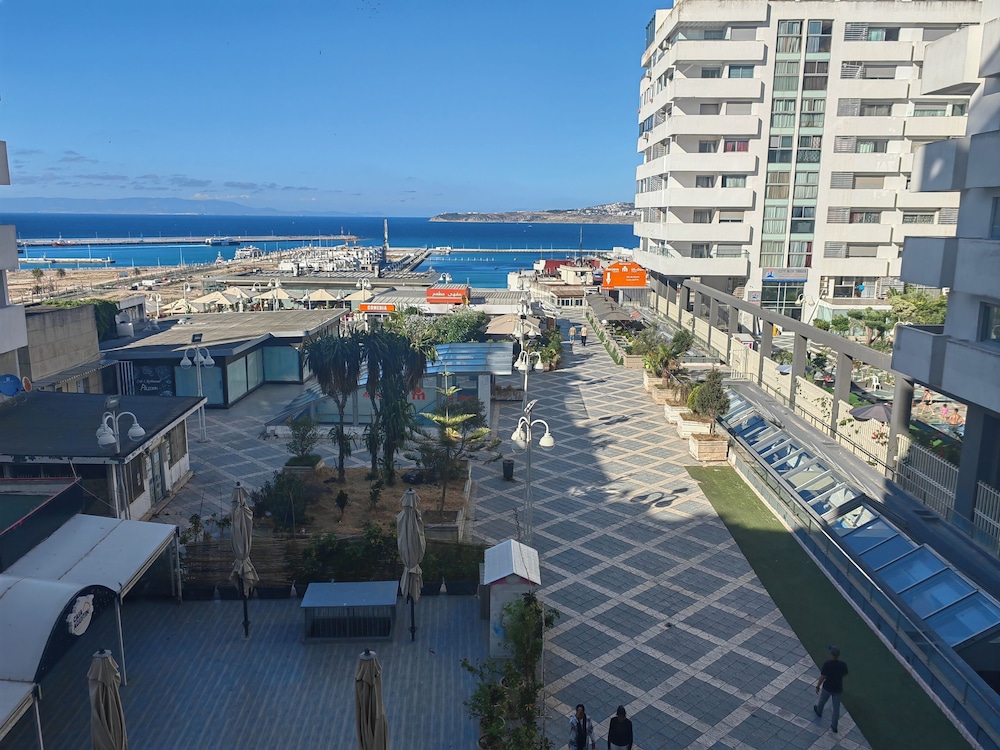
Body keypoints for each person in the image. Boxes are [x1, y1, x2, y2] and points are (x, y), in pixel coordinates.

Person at [814, 645, 849, 733]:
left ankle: (819, 711)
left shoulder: (827, 664)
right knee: (836, 708)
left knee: (822, 701)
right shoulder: (843, 665)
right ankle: (834, 726)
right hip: (838, 688)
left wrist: (818, 686)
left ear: (831, 654)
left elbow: (823, 677)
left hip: (828, 687)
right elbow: (845, 673)